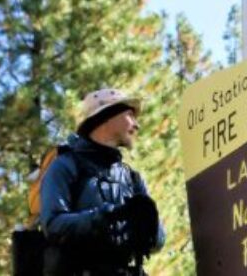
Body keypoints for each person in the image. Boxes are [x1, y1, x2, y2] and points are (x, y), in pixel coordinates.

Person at [40, 88, 165, 275]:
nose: (136, 125)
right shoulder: (65, 166)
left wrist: (151, 225)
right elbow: (53, 225)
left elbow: (158, 242)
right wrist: (107, 215)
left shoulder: (132, 178)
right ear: (106, 117)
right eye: (130, 115)